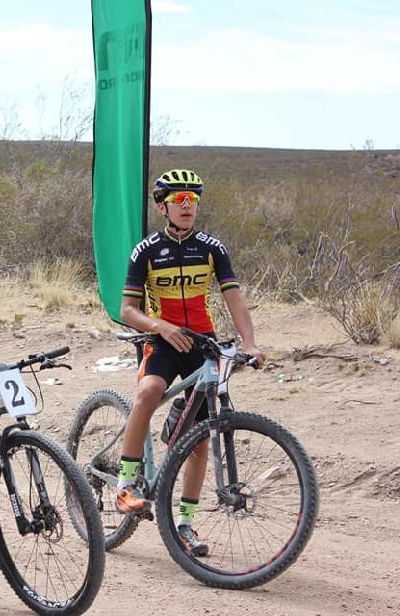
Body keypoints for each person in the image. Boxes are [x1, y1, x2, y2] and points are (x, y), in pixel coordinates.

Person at [116, 169, 265, 557]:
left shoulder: (212, 248)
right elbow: (127, 310)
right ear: (162, 205)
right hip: (163, 341)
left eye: (193, 200)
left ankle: (184, 524)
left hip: (202, 344)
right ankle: (126, 483)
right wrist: (160, 327)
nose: (187, 206)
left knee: (199, 438)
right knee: (148, 391)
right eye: (179, 199)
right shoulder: (145, 251)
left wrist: (249, 342)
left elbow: (234, 298)